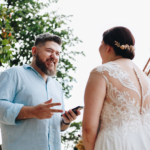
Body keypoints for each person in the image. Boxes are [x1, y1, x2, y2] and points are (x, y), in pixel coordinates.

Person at [0, 33, 81, 150]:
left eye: (57, 53)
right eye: (49, 51)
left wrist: (66, 121)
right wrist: (32, 111)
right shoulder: (13, 74)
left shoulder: (57, 86)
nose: (54, 56)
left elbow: (56, 126)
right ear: (34, 51)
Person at [82, 26, 150, 150]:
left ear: (108, 48)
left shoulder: (101, 72)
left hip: (113, 144)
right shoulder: (147, 79)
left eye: (101, 44)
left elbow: (88, 127)